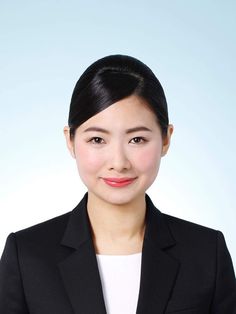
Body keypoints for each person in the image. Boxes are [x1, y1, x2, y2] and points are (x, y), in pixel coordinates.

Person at [0, 55, 235, 314]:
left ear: (166, 139)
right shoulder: (27, 256)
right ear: (70, 140)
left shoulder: (205, 254)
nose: (118, 162)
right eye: (98, 140)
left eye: (137, 140)